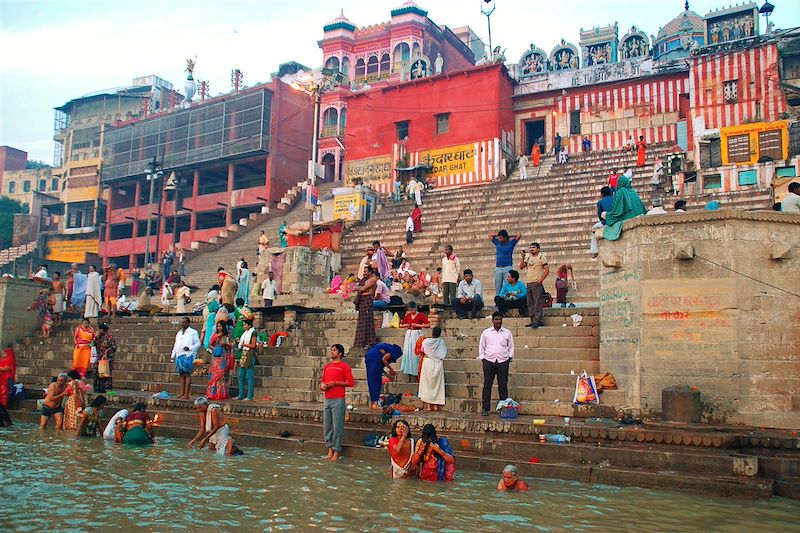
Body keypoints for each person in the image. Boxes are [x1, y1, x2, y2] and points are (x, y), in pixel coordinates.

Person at [320, 343, 355, 462]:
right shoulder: (327, 366)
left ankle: (337, 451)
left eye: (334, 350)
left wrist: (336, 383)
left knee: (337, 427)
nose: (332, 352)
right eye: (331, 350)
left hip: (338, 400)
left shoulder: (344, 366)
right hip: (327, 399)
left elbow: (351, 383)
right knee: (327, 427)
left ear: (340, 353)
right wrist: (323, 386)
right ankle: (329, 450)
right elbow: (322, 381)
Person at [479, 312, 514, 416]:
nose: (498, 321)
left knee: (503, 385)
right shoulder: (486, 332)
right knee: (487, 386)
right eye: (496, 319)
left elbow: (511, 346)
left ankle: (503, 408)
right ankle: (485, 409)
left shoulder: (507, 333)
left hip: (503, 361)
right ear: (492, 320)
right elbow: (482, 345)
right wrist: (483, 358)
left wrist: (509, 357)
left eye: (500, 319)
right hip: (489, 361)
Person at [603, 171, 647, 241]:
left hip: (628, 216)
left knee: (604, 215)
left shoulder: (620, 192)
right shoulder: (633, 191)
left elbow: (616, 212)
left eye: (618, 182)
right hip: (639, 215)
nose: (617, 184)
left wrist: (607, 216)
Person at [520, 243, 549, 328]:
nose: (532, 249)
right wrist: (522, 257)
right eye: (531, 248)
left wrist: (541, 280)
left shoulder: (541, 257)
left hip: (536, 282)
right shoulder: (528, 257)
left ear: (538, 249)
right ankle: (533, 320)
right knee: (530, 303)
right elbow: (521, 267)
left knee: (537, 302)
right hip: (529, 283)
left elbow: (546, 270)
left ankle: (538, 320)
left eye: (533, 247)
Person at [364, 343, 402, 409]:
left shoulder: (386, 347)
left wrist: (387, 375)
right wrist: (391, 369)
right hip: (374, 357)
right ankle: (375, 404)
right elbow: (383, 359)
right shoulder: (393, 351)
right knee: (377, 382)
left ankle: (373, 403)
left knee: (372, 380)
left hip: (369, 356)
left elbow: (379, 367)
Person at [418, 326, 447, 411]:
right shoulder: (441, 342)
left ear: (432, 332)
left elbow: (422, 350)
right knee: (437, 384)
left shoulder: (426, 341)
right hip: (438, 363)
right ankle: (435, 405)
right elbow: (444, 353)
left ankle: (428, 405)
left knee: (427, 384)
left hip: (427, 362)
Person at [172, 316, 201, 400]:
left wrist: (189, 348)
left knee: (187, 374)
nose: (182, 324)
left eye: (184, 322)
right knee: (181, 374)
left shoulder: (193, 332)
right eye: (181, 322)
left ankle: (186, 394)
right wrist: (173, 355)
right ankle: (182, 392)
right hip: (179, 355)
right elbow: (176, 344)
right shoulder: (179, 333)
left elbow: (198, 344)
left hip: (188, 355)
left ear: (188, 323)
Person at [399, 302, 429, 380]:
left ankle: (417, 373)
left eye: (412, 310)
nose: (411, 312)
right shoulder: (408, 315)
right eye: (410, 310)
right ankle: (409, 372)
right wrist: (406, 325)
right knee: (408, 353)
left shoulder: (421, 315)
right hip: (409, 335)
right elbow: (401, 325)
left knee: (416, 353)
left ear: (415, 308)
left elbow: (428, 325)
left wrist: (418, 325)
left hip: (417, 334)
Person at [207, 321, 235, 400]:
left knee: (222, 376)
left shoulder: (227, 336)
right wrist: (215, 349)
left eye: (220, 326)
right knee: (214, 376)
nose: (219, 328)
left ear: (224, 327)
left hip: (224, 358)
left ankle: (221, 394)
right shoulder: (215, 335)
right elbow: (210, 344)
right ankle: (213, 394)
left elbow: (232, 345)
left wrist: (226, 344)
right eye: (218, 326)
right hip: (215, 358)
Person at [490, 229, 520, 296]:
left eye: (501, 238)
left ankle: (507, 299)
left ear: (505, 237)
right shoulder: (497, 242)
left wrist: (509, 236)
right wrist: (498, 235)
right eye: (499, 238)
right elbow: (490, 235)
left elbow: (518, 235)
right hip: (498, 267)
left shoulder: (511, 243)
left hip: (507, 267)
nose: (499, 239)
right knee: (498, 285)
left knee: (508, 285)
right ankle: (498, 300)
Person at [353, 266, 378, 348]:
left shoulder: (372, 280)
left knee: (367, 322)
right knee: (362, 323)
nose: (364, 273)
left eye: (366, 271)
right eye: (364, 271)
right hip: (363, 301)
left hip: (367, 301)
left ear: (370, 272)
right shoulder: (365, 280)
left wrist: (356, 288)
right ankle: (361, 343)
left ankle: (369, 342)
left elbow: (362, 289)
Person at [590, 186, 615, 258]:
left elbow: (600, 215)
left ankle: (594, 251)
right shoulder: (615, 199)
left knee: (594, 229)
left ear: (602, 194)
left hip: (606, 222)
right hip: (616, 220)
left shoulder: (600, 202)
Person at [236, 319, 257, 401]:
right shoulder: (245, 333)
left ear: (249, 325)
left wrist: (243, 344)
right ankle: (240, 395)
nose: (244, 326)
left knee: (249, 376)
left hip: (250, 355)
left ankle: (249, 396)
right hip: (244, 354)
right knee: (240, 376)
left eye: (245, 325)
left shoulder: (253, 332)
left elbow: (253, 345)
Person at [93, 323, 116, 393]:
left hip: (107, 358)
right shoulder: (99, 337)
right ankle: (98, 387)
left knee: (106, 373)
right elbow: (93, 344)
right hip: (99, 357)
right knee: (98, 372)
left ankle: (106, 387)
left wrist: (106, 353)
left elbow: (113, 347)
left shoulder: (109, 337)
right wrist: (96, 337)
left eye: (100, 329)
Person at [0, 344, 17, 413]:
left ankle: (6, 405)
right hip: (3, 378)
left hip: (7, 378)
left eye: (5, 353)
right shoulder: (4, 360)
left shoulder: (9, 360)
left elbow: (7, 368)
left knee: (7, 392)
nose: (3, 354)